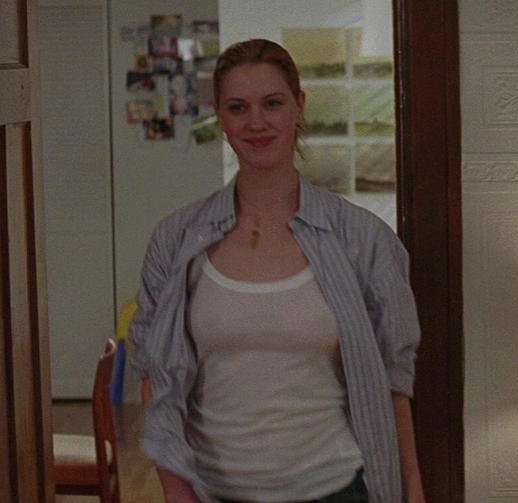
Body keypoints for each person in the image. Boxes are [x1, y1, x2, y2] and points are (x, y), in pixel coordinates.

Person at [129, 38, 424, 503]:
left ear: (299, 106)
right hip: (214, 493)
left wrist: (412, 492)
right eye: (238, 107)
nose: (256, 122)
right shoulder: (176, 240)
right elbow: (155, 376)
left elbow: (394, 382)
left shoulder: (363, 239)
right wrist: (176, 494)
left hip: (336, 491)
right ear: (220, 117)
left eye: (272, 103)